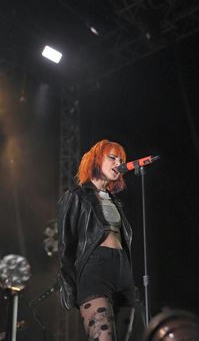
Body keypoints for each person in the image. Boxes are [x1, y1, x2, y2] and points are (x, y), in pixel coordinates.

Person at [58, 139, 135, 341]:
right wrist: (69, 288)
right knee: (103, 338)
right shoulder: (76, 196)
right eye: (112, 157)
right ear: (96, 160)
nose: (118, 162)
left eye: (121, 159)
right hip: (95, 270)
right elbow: (66, 246)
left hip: (122, 270)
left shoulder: (115, 201)